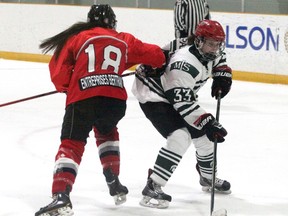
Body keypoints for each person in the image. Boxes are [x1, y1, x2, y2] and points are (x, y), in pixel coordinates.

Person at [35, 4, 166, 216]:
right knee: (107, 131)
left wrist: (69, 86)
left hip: (83, 98)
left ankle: (61, 196)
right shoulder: (123, 38)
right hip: (114, 101)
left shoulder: (77, 37)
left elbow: (59, 74)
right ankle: (114, 180)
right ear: (113, 22)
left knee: (72, 143)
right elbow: (156, 56)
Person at [132, 19, 232, 208]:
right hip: (155, 94)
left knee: (205, 138)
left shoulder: (208, 50)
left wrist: (222, 74)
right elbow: (184, 104)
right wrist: (208, 122)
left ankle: (207, 178)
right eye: (212, 43)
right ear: (199, 41)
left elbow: (220, 58)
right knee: (180, 137)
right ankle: (153, 186)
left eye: (218, 44)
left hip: (175, 90)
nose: (215, 48)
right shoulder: (184, 64)